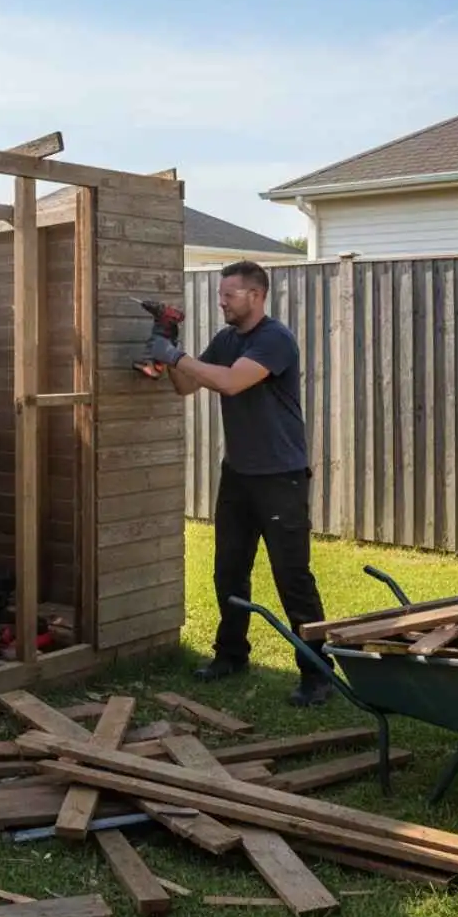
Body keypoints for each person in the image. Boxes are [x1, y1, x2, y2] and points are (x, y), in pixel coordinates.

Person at [145, 260, 332, 707]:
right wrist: (169, 347)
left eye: (229, 294)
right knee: (228, 569)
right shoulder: (227, 339)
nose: (221, 301)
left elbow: (230, 383)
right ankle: (231, 655)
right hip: (239, 474)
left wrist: (173, 355)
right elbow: (186, 387)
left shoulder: (274, 339)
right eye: (221, 294)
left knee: (292, 577)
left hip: (280, 476)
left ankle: (317, 674)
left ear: (256, 295)